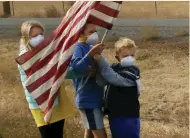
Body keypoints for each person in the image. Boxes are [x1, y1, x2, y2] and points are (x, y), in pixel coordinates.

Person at [17, 20, 76, 138]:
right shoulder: (25, 58)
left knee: (57, 134)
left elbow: (59, 70)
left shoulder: (43, 52)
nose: (39, 38)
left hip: (53, 100)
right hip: (39, 103)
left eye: (41, 34)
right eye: (34, 36)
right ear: (26, 38)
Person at [94, 38, 140, 138]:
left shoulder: (133, 71)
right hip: (115, 114)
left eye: (132, 55)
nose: (129, 58)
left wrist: (101, 61)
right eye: (125, 56)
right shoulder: (115, 67)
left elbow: (115, 79)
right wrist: (97, 66)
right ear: (117, 57)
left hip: (128, 115)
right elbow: (101, 81)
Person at [70, 22, 107, 138]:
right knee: (100, 134)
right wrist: (90, 54)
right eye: (91, 32)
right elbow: (77, 66)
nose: (94, 34)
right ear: (81, 33)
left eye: (95, 31)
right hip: (88, 100)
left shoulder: (90, 47)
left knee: (90, 131)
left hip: (95, 98)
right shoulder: (78, 47)